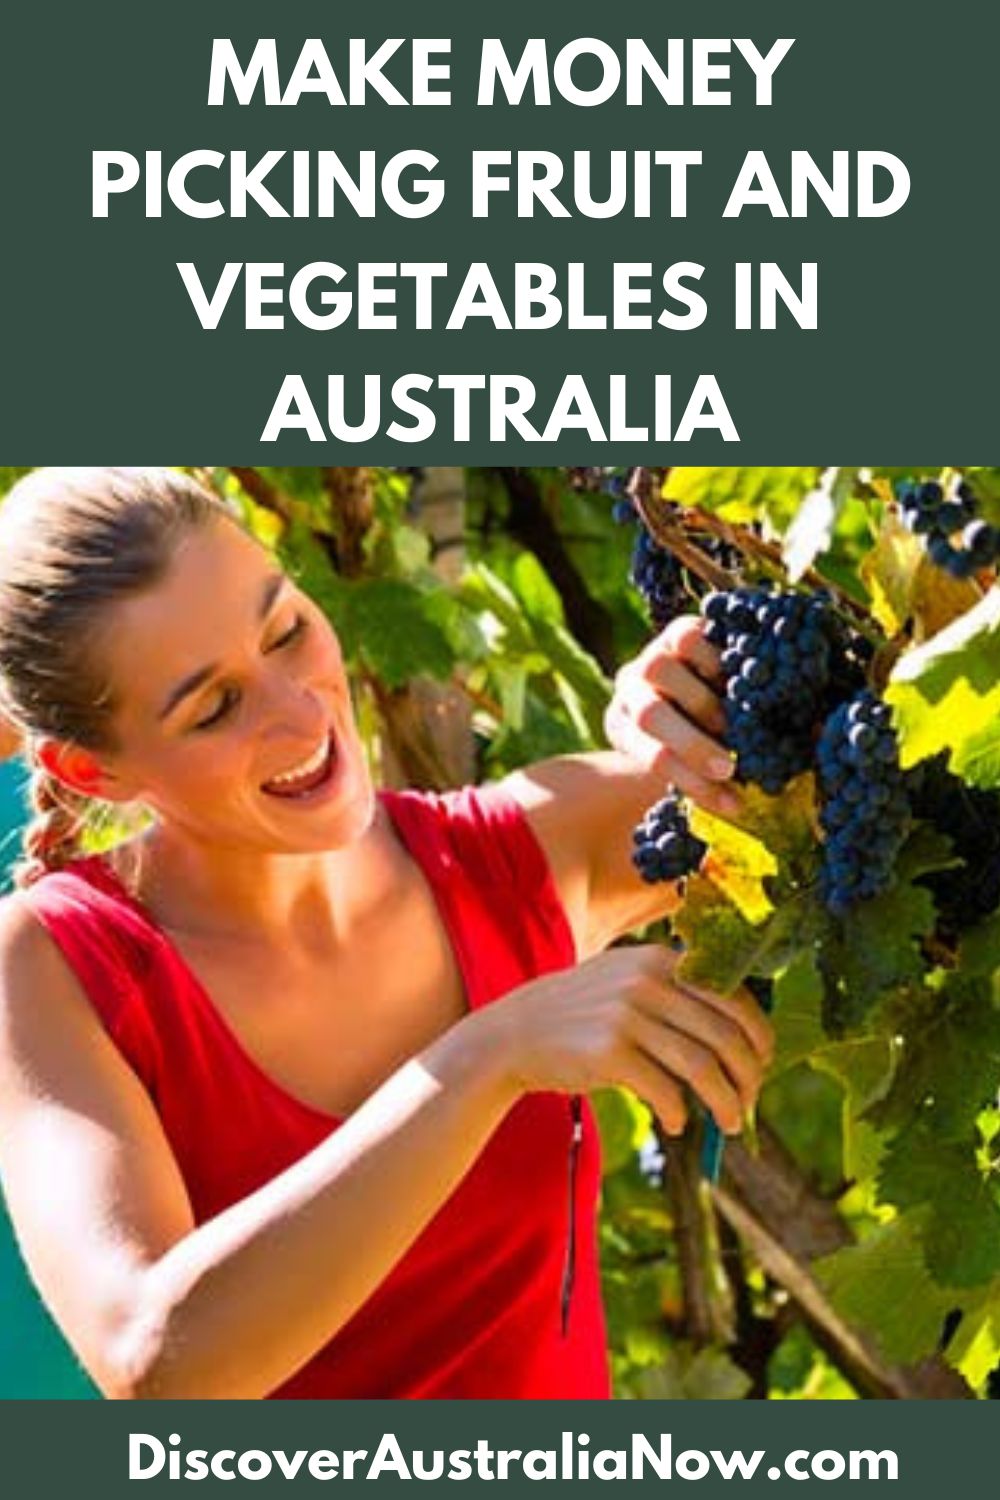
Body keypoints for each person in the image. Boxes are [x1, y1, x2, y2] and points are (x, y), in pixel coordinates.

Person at [0, 467, 771, 1400]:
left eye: (285, 631)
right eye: (214, 707)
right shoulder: (61, 963)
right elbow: (161, 1364)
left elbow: (861, 764)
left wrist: (698, 692)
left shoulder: (519, 855)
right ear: (93, 768)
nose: (301, 712)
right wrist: (488, 1055)